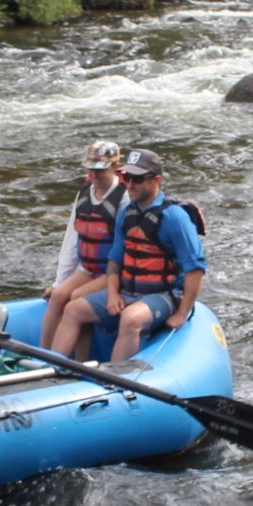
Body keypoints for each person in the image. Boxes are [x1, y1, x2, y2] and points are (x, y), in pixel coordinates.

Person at [54, 147, 205, 367]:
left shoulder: (175, 218)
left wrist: (181, 314)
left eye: (137, 179)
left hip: (164, 295)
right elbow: (115, 260)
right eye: (126, 177)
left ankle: (114, 381)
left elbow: (195, 270)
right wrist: (113, 294)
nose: (130, 185)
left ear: (156, 180)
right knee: (73, 309)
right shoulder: (127, 213)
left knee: (131, 318)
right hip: (127, 291)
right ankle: (56, 369)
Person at [42, 141, 125, 350]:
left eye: (101, 170)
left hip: (112, 273)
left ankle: (77, 362)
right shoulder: (84, 193)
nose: (94, 175)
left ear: (115, 167)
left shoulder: (124, 198)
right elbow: (71, 241)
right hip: (88, 269)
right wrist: (59, 281)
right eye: (91, 169)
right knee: (59, 296)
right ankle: (41, 355)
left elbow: (125, 246)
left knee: (77, 298)